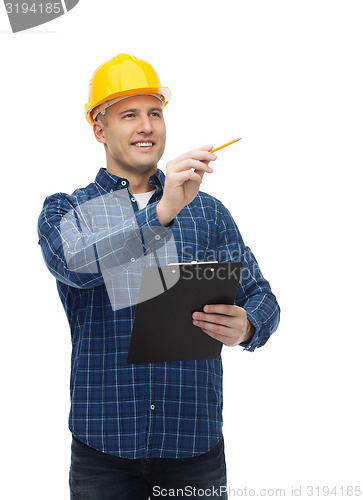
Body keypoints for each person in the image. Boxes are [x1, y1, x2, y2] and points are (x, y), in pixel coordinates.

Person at [38, 54, 280, 499]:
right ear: (98, 129)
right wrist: (161, 213)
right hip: (103, 454)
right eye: (129, 114)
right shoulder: (68, 211)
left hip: (195, 449)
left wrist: (247, 324)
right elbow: (74, 263)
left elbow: (262, 297)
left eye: (155, 113)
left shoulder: (207, 211)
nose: (146, 126)